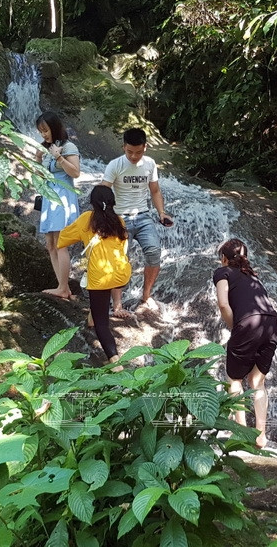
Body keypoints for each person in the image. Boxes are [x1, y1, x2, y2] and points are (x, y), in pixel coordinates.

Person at [214, 238, 277, 449]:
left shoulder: (222, 272)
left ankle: (241, 433)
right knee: (257, 382)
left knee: (234, 380)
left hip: (248, 324)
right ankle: (261, 436)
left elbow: (223, 304)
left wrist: (236, 327)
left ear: (224, 258)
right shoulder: (252, 276)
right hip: (272, 323)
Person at [101, 128, 172, 317]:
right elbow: (103, 191)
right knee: (119, 259)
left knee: (154, 251)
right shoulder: (114, 165)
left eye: (138, 152)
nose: (134, 156)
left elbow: (155, 191)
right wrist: (104, 217)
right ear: (123, 147)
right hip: (119, 218)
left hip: (143, 216)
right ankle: (117, 305)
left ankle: (146, 296)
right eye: (129, 151)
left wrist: (162, 213)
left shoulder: (149, 164)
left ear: (145, 148)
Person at [58, 185, 132, 368]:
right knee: (100, 297)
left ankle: (115, 362)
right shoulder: (119, 221)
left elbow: (63, 238)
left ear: (92, 203)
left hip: (101, 276)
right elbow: (123, 247)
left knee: (102, 325)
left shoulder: (86, 220)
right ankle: (91, 317)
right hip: (122, 272)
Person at [34, 111, 80, 299]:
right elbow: (39, 176)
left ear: (54, 127)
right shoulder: (45, 148)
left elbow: (76, 173)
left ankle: (63, 287)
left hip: (63, 198)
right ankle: (62, 286)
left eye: (46, 130)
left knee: (61, 243)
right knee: (50, 244)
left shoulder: (68, 146)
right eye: (41, 132)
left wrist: (59, 158)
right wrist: (37, 159)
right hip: (49, 197)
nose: (44, 135)